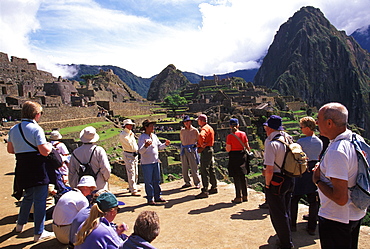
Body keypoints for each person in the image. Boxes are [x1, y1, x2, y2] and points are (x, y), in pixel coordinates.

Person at [313, 102, 367, 249]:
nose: (316, 123)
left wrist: (317, 180)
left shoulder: (337, 150)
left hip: (336, 218)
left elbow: (340, 198)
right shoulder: (356, 139)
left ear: (329, 123)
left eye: (319, 119)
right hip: (354, 213)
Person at [7, 101, 55, 242]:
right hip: (37, 167)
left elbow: (10, 150)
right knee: (40, 200)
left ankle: (20, 225)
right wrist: (50, 148)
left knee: (27, 196)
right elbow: (44, 151)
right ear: (36, 114)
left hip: (22, 165)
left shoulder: (14, 129)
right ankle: (39, 232)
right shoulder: (36, 129)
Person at [263, 115, 294, 249]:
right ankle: (286, 238)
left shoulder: (271, 144)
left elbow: (269, 169)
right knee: (286, 210)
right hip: (290, 178)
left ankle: (285, 243)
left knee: (278, 215)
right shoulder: (288, 138)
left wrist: (267, 185)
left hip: (277, 181)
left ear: (269, 128)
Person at [290, 117, 322, 235]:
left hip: (302, 170)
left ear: (307, 128)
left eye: (302, 127)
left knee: (294, 198)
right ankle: (312, 227)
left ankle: (292, 224)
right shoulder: (319, 142)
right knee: (313, 200)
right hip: (314, 171)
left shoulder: (301, 142)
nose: (301, 129)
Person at [52, 175, 97, 244]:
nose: (90, 193)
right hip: (66, 235)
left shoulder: (68, 194)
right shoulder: (82, 199)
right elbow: (89, 218)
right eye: (90, 190)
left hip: (56, 232)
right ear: (85, 187)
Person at [138, 119, 170, 205]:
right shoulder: (142, 137)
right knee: (148, 181)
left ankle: (157, 196)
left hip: (155, 161)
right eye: (151, 126)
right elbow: (140, 151)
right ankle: (150, 198)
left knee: (156, 180)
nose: (153, 127)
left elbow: (159, 147)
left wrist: (165, 144)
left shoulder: (154, 136)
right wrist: (145, 146)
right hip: (147, 163)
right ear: (146, 127)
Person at [226, 118, 251, 203]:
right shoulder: (243, 134)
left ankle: (238, 196)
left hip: (234, 156)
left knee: (236, 177)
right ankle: (245, 196)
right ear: (238, 125)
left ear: (230, 126)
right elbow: (247, 146)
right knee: (242, 176)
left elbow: (228, 149)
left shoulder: (230, 136)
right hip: (242, 156)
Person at [195, 114, 217, 199]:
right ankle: (214, 186)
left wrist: (200, 145)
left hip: (206, 150)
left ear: (201, 121)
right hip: (210, 149)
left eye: (198, 120)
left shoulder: (204, 129)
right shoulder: (210, 128)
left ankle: (205, 190)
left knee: (204, 169)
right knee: (211, 168)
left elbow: (201, 136)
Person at [119, 119, 140, 196]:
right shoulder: (123, 134)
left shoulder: (130, 133)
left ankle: (133, 187)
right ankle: (133, 189)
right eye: (129, 125)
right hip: (128, 154)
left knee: (136, 172)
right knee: (131, 172)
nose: (131, 126)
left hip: (134, 154)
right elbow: (130, 144)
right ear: (126, 125)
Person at [180, 115, 201, 189]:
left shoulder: (195, 130)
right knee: (184, 167)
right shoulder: (182, 131)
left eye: (187, 121)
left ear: (190, 122)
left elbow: (198, 140)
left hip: (192, 150)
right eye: (185, 122)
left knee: (194, 167)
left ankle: (197, 182)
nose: (186, 123)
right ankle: (187, 182)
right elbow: (182, 140)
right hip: (184, 149)